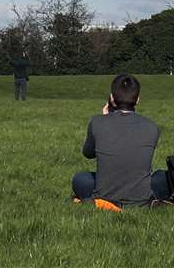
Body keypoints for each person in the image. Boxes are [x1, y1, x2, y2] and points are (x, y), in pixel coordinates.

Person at [71, 74, 169, 207]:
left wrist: (105, 120)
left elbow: (88, 153)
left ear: (112, 98)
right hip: (141, 196)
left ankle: (106, 201)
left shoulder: (97, 122)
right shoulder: (152, 126)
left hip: (105, 194)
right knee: (164, 177)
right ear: (138, 100)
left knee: (80, 179)